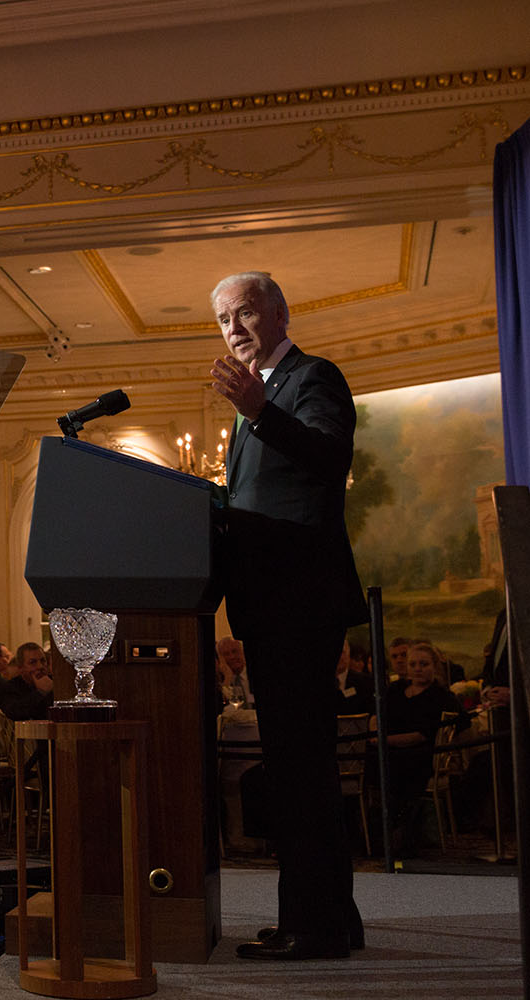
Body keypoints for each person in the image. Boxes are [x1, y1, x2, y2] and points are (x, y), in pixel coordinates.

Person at [209, 270, 367, 961]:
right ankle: (329, 917)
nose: (234, 328)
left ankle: (316, 927)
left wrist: (260, 411)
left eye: (245, 312)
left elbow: (331, 458)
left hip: (299, 600)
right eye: (223, 320)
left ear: (280, 313)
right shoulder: (258, 400)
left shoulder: (311, 378)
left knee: (301, 770)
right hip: (269, 601)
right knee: (298, 768)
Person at [381, 642, 466, 852]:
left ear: (434, 666)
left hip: (422, 756)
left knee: (397, 767)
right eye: (413, 664)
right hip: (391, 750)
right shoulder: (395, 690)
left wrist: (384, 740)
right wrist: (377, 732)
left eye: (423, 664)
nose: (417, 668)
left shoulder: (440, 696)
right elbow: (378, 715)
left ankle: (403, 833)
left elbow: (421, 735)